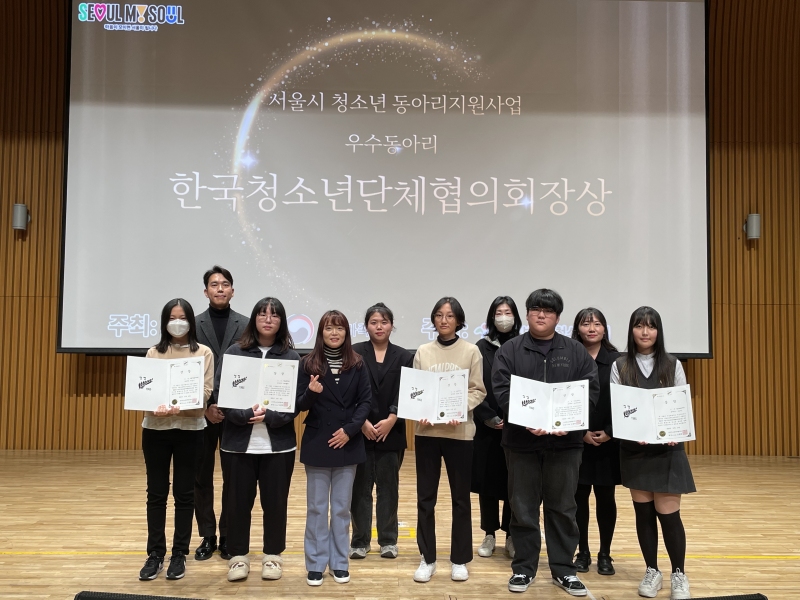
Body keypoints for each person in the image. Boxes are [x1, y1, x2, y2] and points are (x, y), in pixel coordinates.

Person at [493, 289, 599, 596]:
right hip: (521, 442)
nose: (541, 315)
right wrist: (526, 419)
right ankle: (523, 569)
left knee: (563, 507)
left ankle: (564, 570)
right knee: (523, 507)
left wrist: (569, 422)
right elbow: (501, 389)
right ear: (527, 314)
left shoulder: (575, 351)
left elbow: (590, 390)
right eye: (536, 310)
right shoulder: (510, 350)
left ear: (558, 317)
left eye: (548, 311)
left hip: (566, 445)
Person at [611, 306, 695, 600]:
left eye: (651, 326)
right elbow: (619, 408)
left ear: (658, 331)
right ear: (631, 330)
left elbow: (680, 406)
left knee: (669, 515)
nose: (645, 332)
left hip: (667, 451)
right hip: (635, 450)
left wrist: (674, 433)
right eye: (639, 326)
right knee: (643, 514)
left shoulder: (673, 364)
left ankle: (679, 574)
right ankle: (652, 570)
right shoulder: (620, 365)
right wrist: (633, 431)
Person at [216, 298, 301, 582]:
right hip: (238, 445)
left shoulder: (291, 357)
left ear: (281, 322)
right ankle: (238, 557)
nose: (268, 319)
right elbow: (221, 394)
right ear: (254, 319)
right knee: (237, 504)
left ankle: (273, 556)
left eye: (274, 315)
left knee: (275, 504)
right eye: (263, 314)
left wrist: (271, 417)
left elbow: (295, 403)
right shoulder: (235, 352)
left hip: (278, 446)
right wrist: (243, 415)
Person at [138, 298, 214, 581]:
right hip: (155, 430)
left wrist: (180, 404)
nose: (177, 323)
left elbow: (205, 392)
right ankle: (155, 553)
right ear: (164, 322)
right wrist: (154, 405)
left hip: (190, 430)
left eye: (182, 318)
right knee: (156, 493)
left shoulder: (203, 352)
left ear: (191, 321)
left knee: (185, 494)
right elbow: (144, 392)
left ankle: (179, 553)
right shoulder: (153, 353)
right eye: (172, 318)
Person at [296, 310, 373, 586]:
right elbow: (298, 405)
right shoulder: (307, 363)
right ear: (321, 332)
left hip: (347, 442)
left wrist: (350, 430)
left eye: (339, 328)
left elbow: (365, 402)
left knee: (341, 508)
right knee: (317, 508)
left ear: (346, 333)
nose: (334, 333)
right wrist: (311, 393)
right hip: (318, 442)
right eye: (329, 328)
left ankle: (340, 562)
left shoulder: (358, 363)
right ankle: (316, 564)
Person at [412, 297, 486, 584]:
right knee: (425, 498)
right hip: (427, 433)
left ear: (459, 321)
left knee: (460, 499)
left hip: (460, 433)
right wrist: (420, 409)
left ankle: (459, 559)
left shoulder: (471, 351)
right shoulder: (423, 351)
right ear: (433, 319)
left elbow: (477, 390)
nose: (444, 320)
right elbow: (416, 390)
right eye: (439, 315)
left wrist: (459, 409)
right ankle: (427, 558)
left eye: (450, 316)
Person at [349, 303, 414, 560]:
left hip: (392, 432)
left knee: (389, 489)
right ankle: (359, 541)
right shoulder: (354, 352)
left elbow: (408, 391)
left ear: (391, 326)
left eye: (384, 322)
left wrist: (392, 418)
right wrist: (361, 422)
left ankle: (388, 540)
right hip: (360, 432)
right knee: (360, 489)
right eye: (374, 322)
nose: (379, 327)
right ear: (366, 326)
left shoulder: (404, 356)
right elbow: (349, 391)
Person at [193, 266, 248, 561]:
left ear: (232, 291)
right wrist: (205, 408)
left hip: (234, 413)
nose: (220, 289)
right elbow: (187, 369)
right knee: (201, 476)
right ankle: (207, 535)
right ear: (206, 291)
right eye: (214, 285)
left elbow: (249, 369)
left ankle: (227, 535)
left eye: (225, 284)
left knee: (233, 477)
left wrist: (225, 406)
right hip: (200, 413)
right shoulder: (193, 324)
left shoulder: (246, 324)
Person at [570, 308, 621, 576]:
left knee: (605, 498)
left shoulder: (617, 360)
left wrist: (610, 431)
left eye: (597, 324)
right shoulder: (569, 357)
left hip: (608, 440)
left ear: (604, 329)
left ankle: (605, 554)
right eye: (586, 324)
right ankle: (583, 552)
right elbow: (564, 397)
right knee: (578, 498)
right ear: (577, 328)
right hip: (577, 439)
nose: (592, 328)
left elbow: (624, 401)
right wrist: (580, 432)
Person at [473, 296, 522, 560]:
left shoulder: (524, 345)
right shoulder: (480, 347)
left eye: (508, 312)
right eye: (499, 312)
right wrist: (487, 416)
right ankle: (489, 533)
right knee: (488, 483)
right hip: (487, 427)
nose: (504, 317)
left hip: (518, 426)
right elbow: (473, 385)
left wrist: (516, 417)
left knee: (514, 483)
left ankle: (511, 534)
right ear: (492, 317)